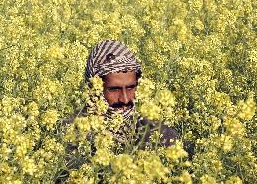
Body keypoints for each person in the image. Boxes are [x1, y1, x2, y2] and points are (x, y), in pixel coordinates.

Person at [60, 39, 182, 174]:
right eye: (114, 89)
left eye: (131, 88)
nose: (125, 99)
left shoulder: (161, 135)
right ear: (94, 89)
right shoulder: (71, 134)